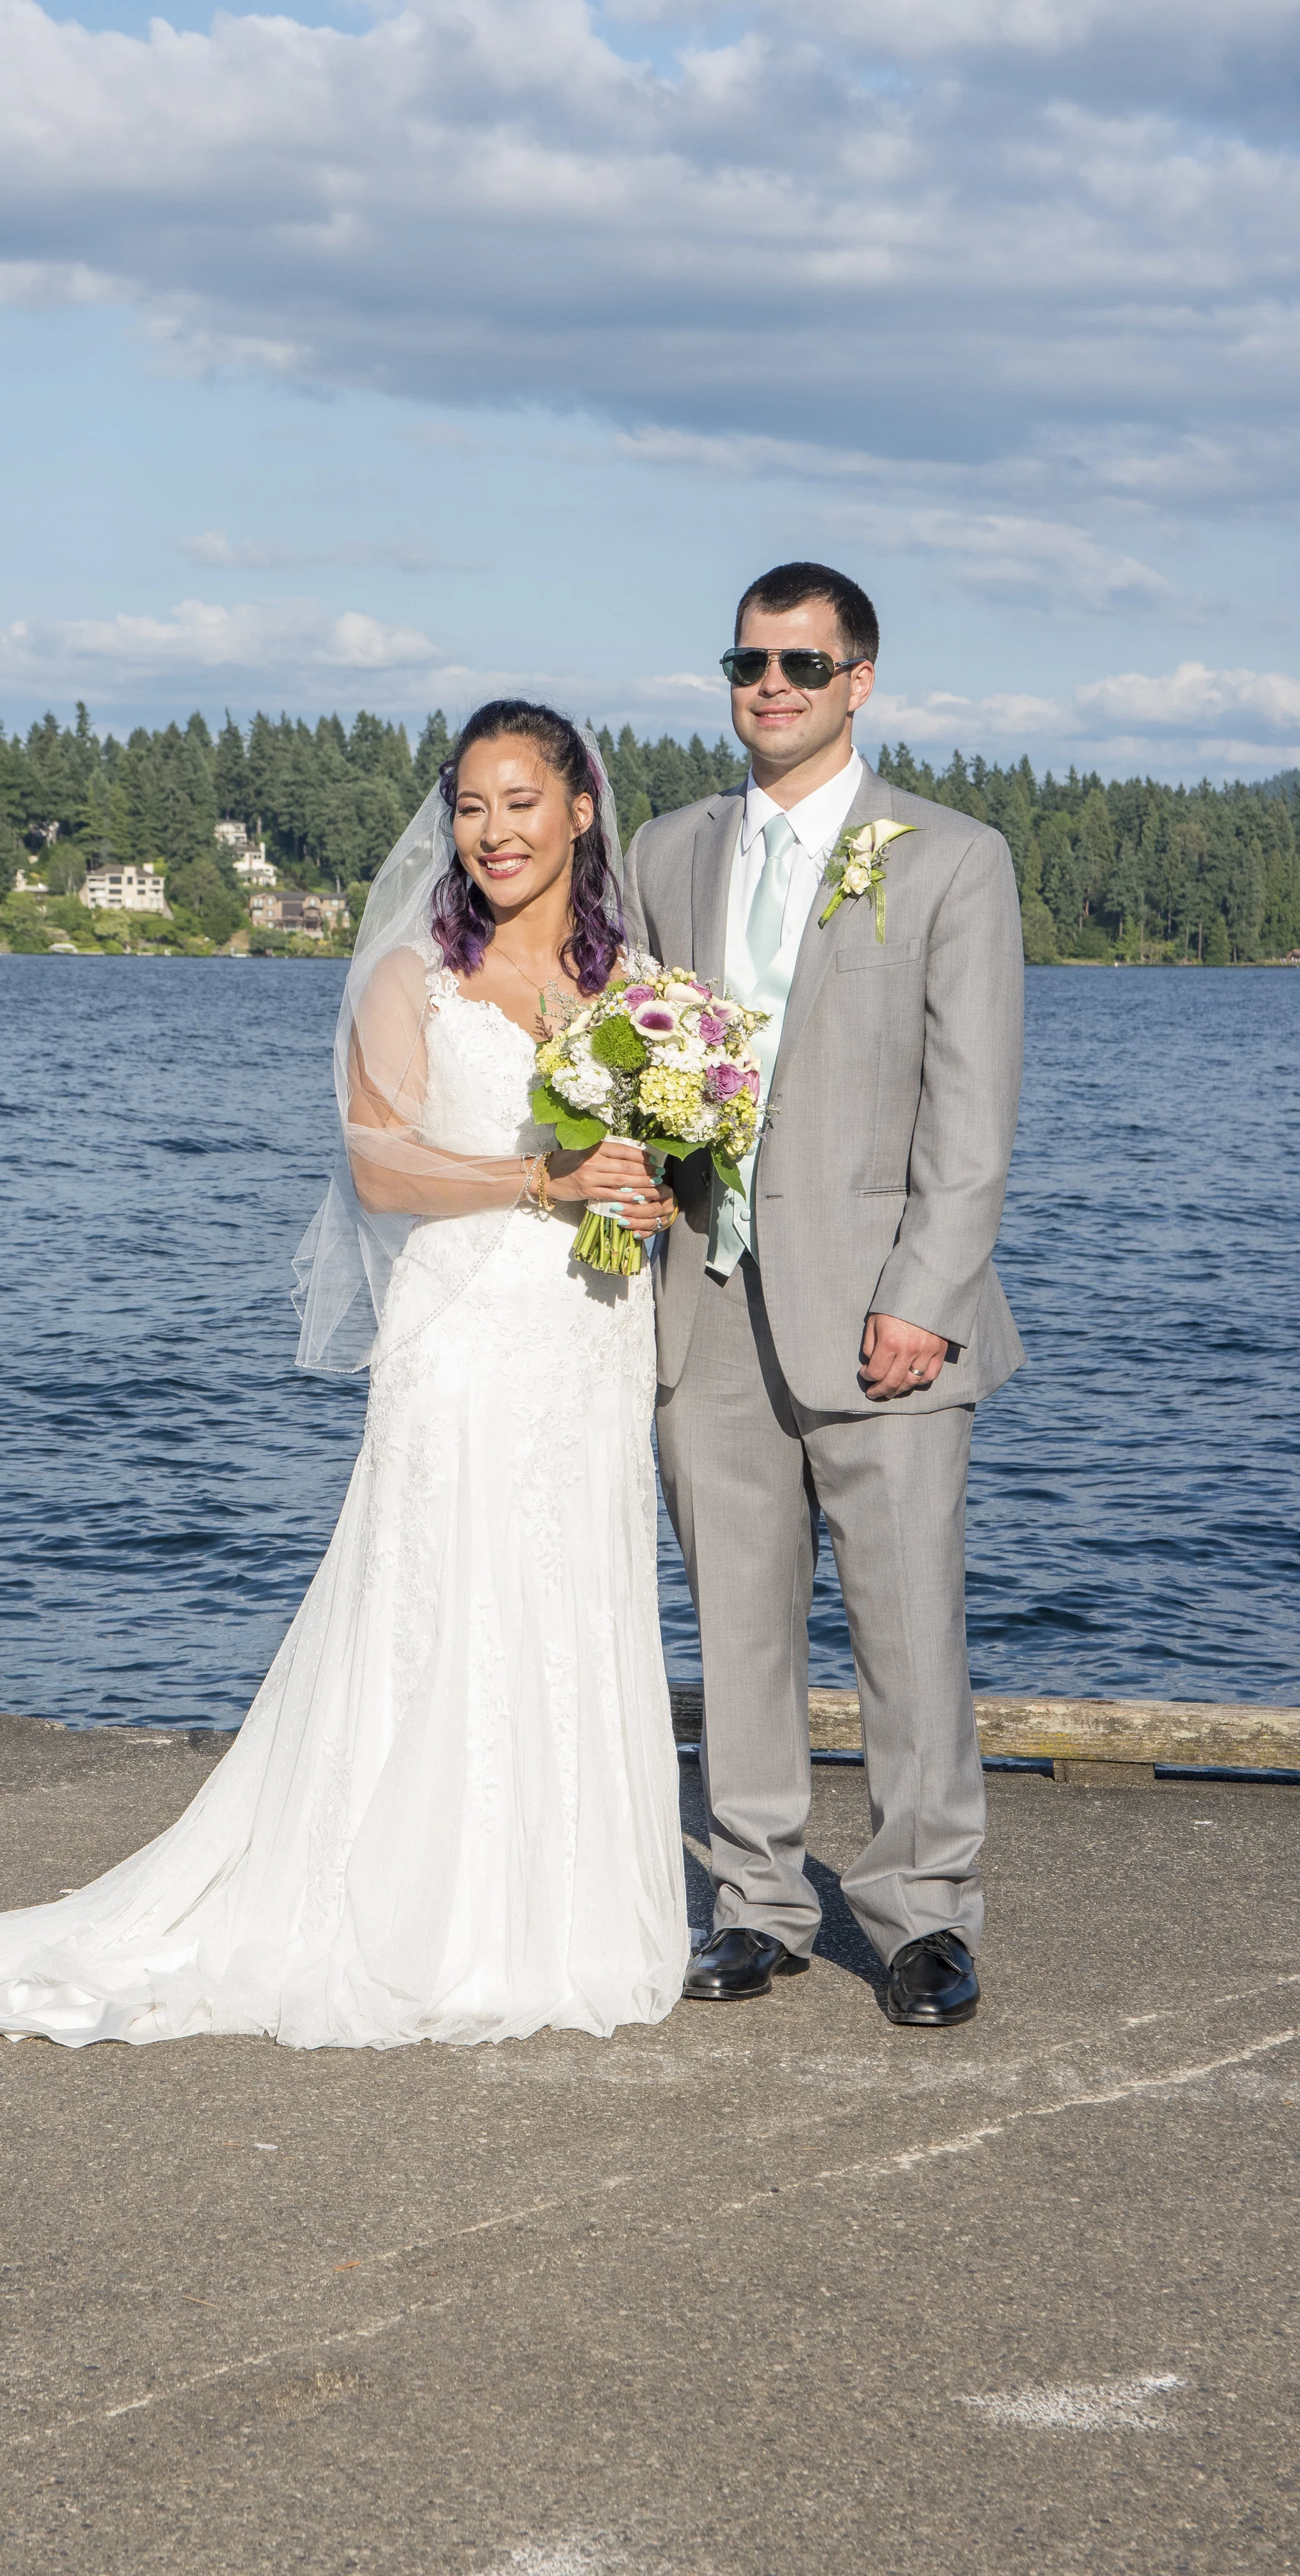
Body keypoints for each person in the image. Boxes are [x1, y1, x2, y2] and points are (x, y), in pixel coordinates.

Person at [0, 703, 690, 2052]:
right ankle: (424, 1914)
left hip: (589, 1336)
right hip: (468, 1337)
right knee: (455, 1593)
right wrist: (542, 1179)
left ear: (580, 811)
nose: (495, 832)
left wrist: (636, 1187)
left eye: (521, 802)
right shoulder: (411, 980)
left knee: (569, 1586)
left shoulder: (638, 998)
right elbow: (382, 1167)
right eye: (473, 807)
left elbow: (649, 1153)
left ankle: (568, 1912)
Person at [623, 562, 1024, 2027]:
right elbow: (641, 1066)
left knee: (906, 1619)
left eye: (799, 664)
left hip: (884, 1317)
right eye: (746, 662)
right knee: (737, 1619)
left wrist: (923, 1291)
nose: (768, 687)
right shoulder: (665, 853)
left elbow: (970, 1118)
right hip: (706, 1299)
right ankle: (758, 1903)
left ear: (858, 681)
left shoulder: (945, 858)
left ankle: (923, 1917)